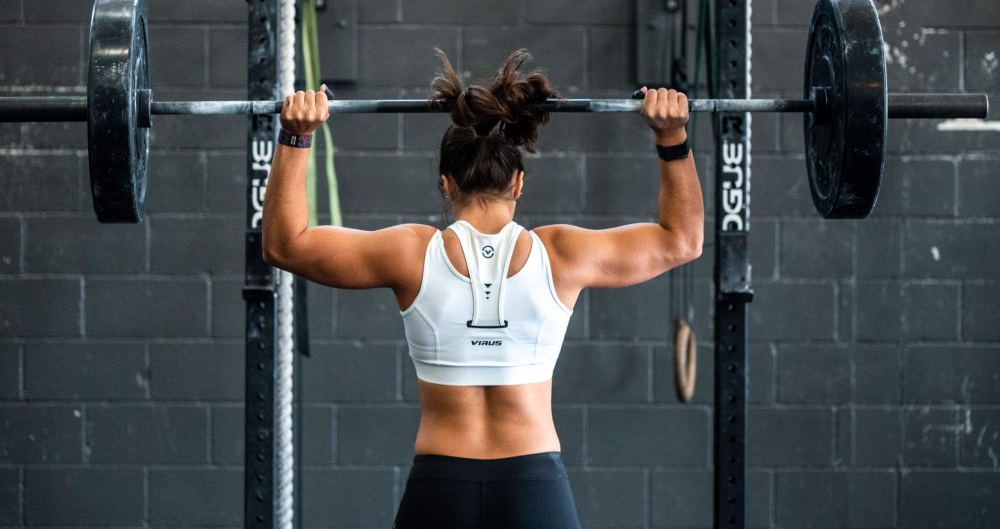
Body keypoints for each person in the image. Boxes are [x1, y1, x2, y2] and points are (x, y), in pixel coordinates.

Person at [262, 49, 704, 529]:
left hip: (439, 487)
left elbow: (286, 245)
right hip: (535, 486)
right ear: (518, 183)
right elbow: (681, 240)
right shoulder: (561, 255)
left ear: (446, 184)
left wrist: (296, 136)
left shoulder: (410, 254)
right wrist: (672, 136)